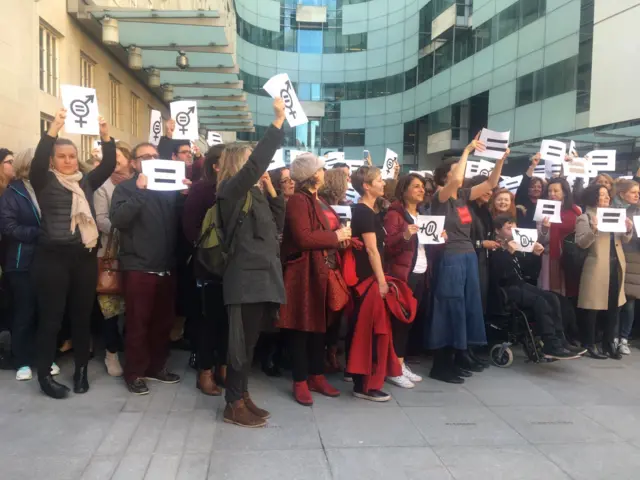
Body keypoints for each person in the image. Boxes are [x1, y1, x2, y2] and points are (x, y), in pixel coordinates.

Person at [30, 109, 116, 399]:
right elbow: (38, 161)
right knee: (51, 319)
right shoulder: (43, 180)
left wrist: (105, 136)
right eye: (61, 156)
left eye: (71, 155)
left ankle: (81, 370)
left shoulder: (86, 181)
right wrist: (53, 129)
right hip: (52, 259)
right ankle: (44, 376)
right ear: (53, 160)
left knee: (82, 317)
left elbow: (110, 164)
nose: (67, 160)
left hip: (84, 258)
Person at [216, 98, 286, 428]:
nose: (259, 171)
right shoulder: (230, 190)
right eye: (249, 163)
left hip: (262, 278)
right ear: (238, 165)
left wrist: (274, 193)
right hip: (243, 280)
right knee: (239, 347)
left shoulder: (255, 193)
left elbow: (276, 227)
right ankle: (233, 403)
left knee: (251, 343)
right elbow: (255, 165)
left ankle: (242, 395)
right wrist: (276, 124)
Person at [110, 140, 190, 395]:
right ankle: (134, 372)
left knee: (162, 323)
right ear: (134, 163)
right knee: (137, 324)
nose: (151, 160)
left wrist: (187, 196)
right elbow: (119, 219)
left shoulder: (168, 188)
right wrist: (140, 192)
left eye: (155, 156)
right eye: (145, 156)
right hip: (139, 267)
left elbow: (181, 223)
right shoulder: (125, 188)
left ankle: (156, 367)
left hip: (166, 267)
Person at [427, 133, 508, 384]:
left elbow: (491, 183)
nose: (461, 173)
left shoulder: (462, 197)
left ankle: (457, 356)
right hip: (451, 257)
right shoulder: (440, 197)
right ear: (445, 176)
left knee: (465, 308)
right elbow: (458, 178)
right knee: (449, 307)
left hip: (468, 257)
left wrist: (500, 160)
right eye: (456, 170)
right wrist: (466, 152)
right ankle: (440, 364)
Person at [278, 153, 349, 406]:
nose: (324, 172)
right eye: (321, 168)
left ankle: (316, 376)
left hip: (320, 269)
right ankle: (300, 380)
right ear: (312, 174)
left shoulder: (316, 199)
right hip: (303, 272)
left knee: (319, 325)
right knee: (301, 326)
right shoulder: (299, 200)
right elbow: (304, 238)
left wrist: (340, 238)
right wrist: (336, 236)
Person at [345, 165, 417, 402]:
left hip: (371, 278)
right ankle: (364, 384)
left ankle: (367, 381)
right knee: (371, 331)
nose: (383, 183)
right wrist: (381, 280)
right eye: (378, 180)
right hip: (368, 280)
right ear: (367, 186)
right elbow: (372, 250)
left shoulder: (370, 210)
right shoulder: (364, 212)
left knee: (375, 331)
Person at [489, 215, 583, 359]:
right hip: (505, 288)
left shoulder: (518, 245)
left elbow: (528, 272)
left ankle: (560, 340)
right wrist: (508, 253)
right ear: (497, 231)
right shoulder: (494, 249)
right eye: (509, 228)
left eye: (515, 227)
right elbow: (500, 274)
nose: (513, 231)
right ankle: (549, 343)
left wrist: (535, 255)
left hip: (520, 283)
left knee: (552, 297)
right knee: (539, 301)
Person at [182, 143, 227, 396]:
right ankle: (205, 371)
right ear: (216, 165)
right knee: (208, 322)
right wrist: (212, 249)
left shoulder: (239, 189)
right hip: (208, 265)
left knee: (227, 322)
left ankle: (223, 367)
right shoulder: (201, 190)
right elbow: (190, 229)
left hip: (232, 266)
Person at [383, 173, 432, 388]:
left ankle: (399, 363)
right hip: (404, 275)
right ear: (404, 190)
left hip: (420, 271)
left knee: (409, 321)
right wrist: (405, 235)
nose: (421, 190)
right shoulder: (395, 215)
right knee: (400, 322)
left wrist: (440, 237)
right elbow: (388, 246)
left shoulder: (422, 213)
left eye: (423, 187)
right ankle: (393, 368)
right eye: (416, 186)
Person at [576, 183, 633, 359]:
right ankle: (589, 344)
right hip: (596, 267)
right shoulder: (585, 217)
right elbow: (581, 243)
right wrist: (594, 229)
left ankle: (609, 343)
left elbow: (623, 239)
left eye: (607, 194)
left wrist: (628, 228)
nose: (607, 197)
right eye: (602, 195)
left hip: (616, 264)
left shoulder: (614, 214)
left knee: (614, 306)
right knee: (592, 307)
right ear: (594, 197)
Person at [93, 141, 134, 377]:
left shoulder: (140, 181)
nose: (115, 160)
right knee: (110, 308)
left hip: (139, 254)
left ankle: (129, 348)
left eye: (119, 155)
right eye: (112, 156)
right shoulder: (103, 186)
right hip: (112, 253)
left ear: (129, 160)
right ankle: (111, 352)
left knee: (134, 307)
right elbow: (100, 219)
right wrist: (125, 230)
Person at [0, 148, 41, 380]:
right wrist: (39, 232)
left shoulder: (47, 188)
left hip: (47, 260)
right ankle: (22, 360)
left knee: (45, 311)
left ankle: (44, 356)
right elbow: (9, 228)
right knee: (24, 312)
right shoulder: (12, 192)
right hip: (21, 261)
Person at [613, 179, 640, 355]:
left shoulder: (638, 212)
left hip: (636, 260)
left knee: (630, 301)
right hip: (619, 256)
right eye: (634, 192)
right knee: (616, 300)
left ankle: (624, 337)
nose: (637, 195)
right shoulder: (616, 210)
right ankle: (613, 336)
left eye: (638, 193)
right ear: (622, 194)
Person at [515, 153, 544, 228]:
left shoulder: (545, 202)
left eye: (539, 187)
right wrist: (533, 166)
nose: (536, 189)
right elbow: (525, 181)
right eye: (533, 186)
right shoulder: (522, 200)